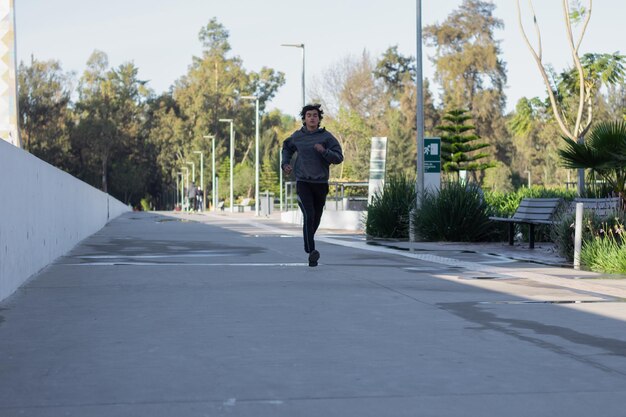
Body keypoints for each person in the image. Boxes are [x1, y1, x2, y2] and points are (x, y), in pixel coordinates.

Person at [281, 104, 344, 267]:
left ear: (319, 118)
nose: (312, 118)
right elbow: (286, 147)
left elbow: (338, 157)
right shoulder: (297, 136)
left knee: (316, 217)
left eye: (315, 115)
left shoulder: (327, 137)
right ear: (304, 118)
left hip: (321, 183)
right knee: (309, 214)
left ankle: (309, 242)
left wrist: (324, 151)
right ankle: (311, 250)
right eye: (308, 115)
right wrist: (285, 164)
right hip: (303, 182)